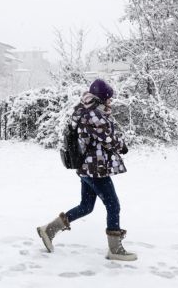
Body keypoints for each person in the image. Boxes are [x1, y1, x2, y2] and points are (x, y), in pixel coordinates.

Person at [37, 78, 137, 261]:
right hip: (95, 168)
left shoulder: (85, 111)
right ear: (101, 99)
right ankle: (115, 249)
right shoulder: (92, 115)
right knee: (113, 205)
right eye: (109, 99)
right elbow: (108, 138)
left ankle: (48, 230)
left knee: (86, 206)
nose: (111, 102)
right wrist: (121, 145)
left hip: (87, 167)